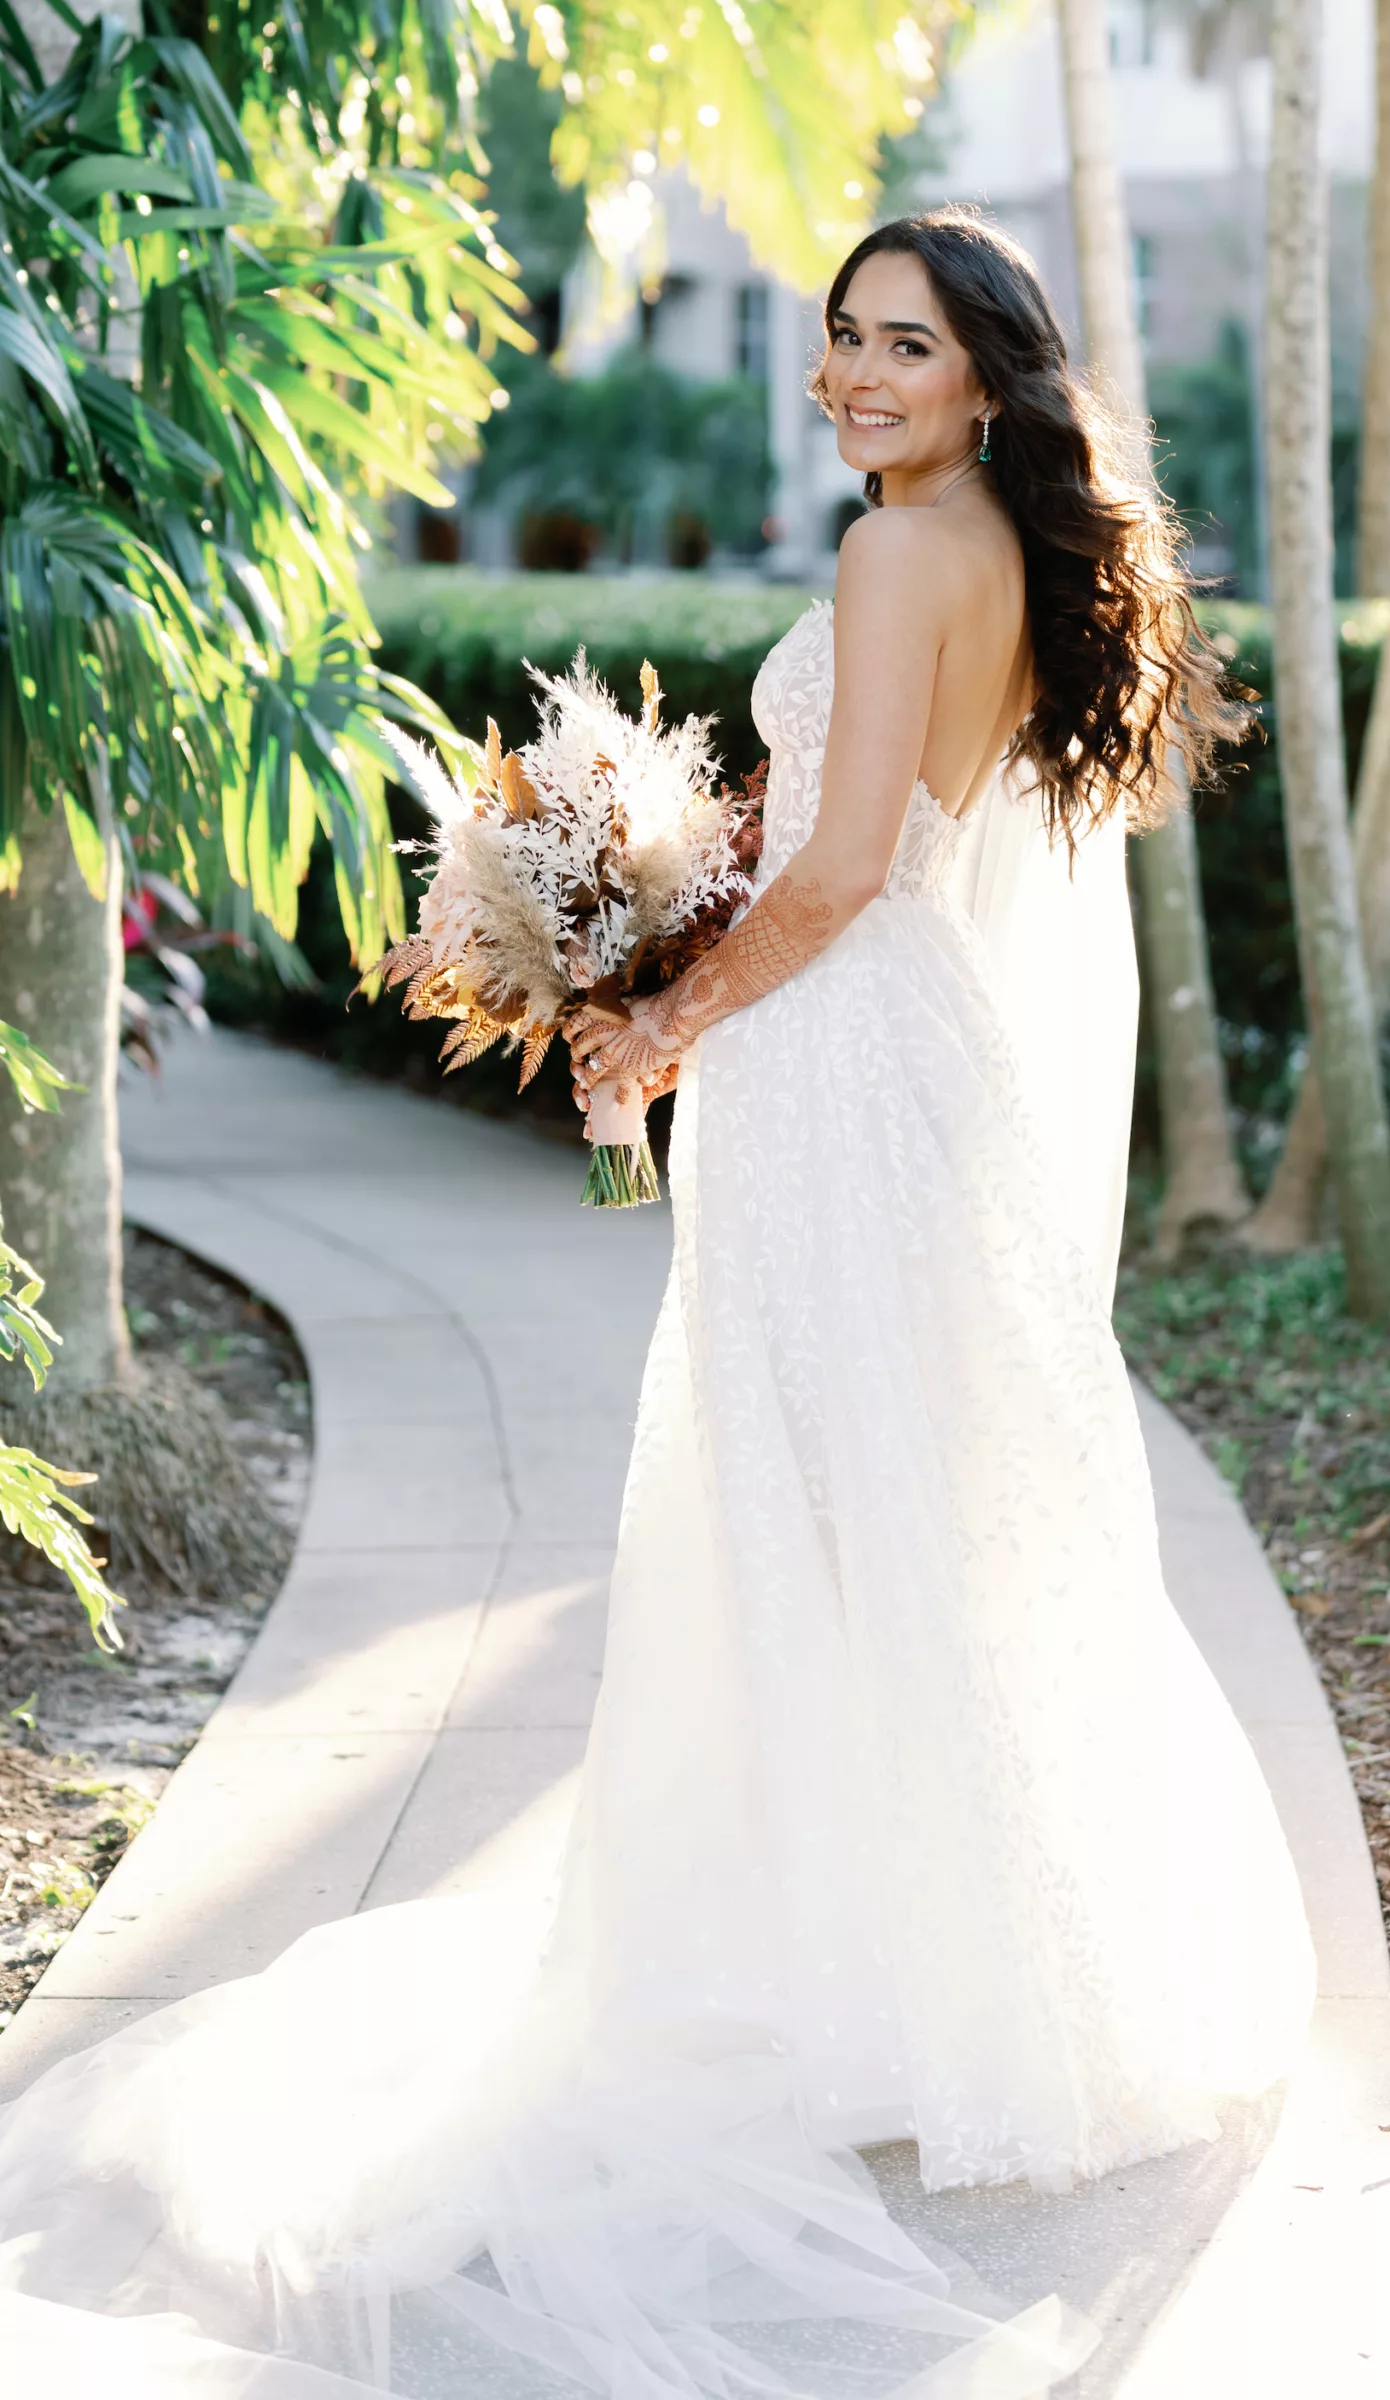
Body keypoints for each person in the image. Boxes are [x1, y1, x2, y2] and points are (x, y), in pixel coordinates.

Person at [0, 208, 1313, 2398]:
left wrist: (659, 1019)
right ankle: (955, 1970)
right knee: (918, 1506)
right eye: (836, 341)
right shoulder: (995, 541)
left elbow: (838, 865)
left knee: (804, 1517)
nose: (852, 376)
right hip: (924, 1069)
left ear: (987, 370)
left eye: (899, 345)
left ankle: (847, 1973)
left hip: (840, 1074)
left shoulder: (901, 555)